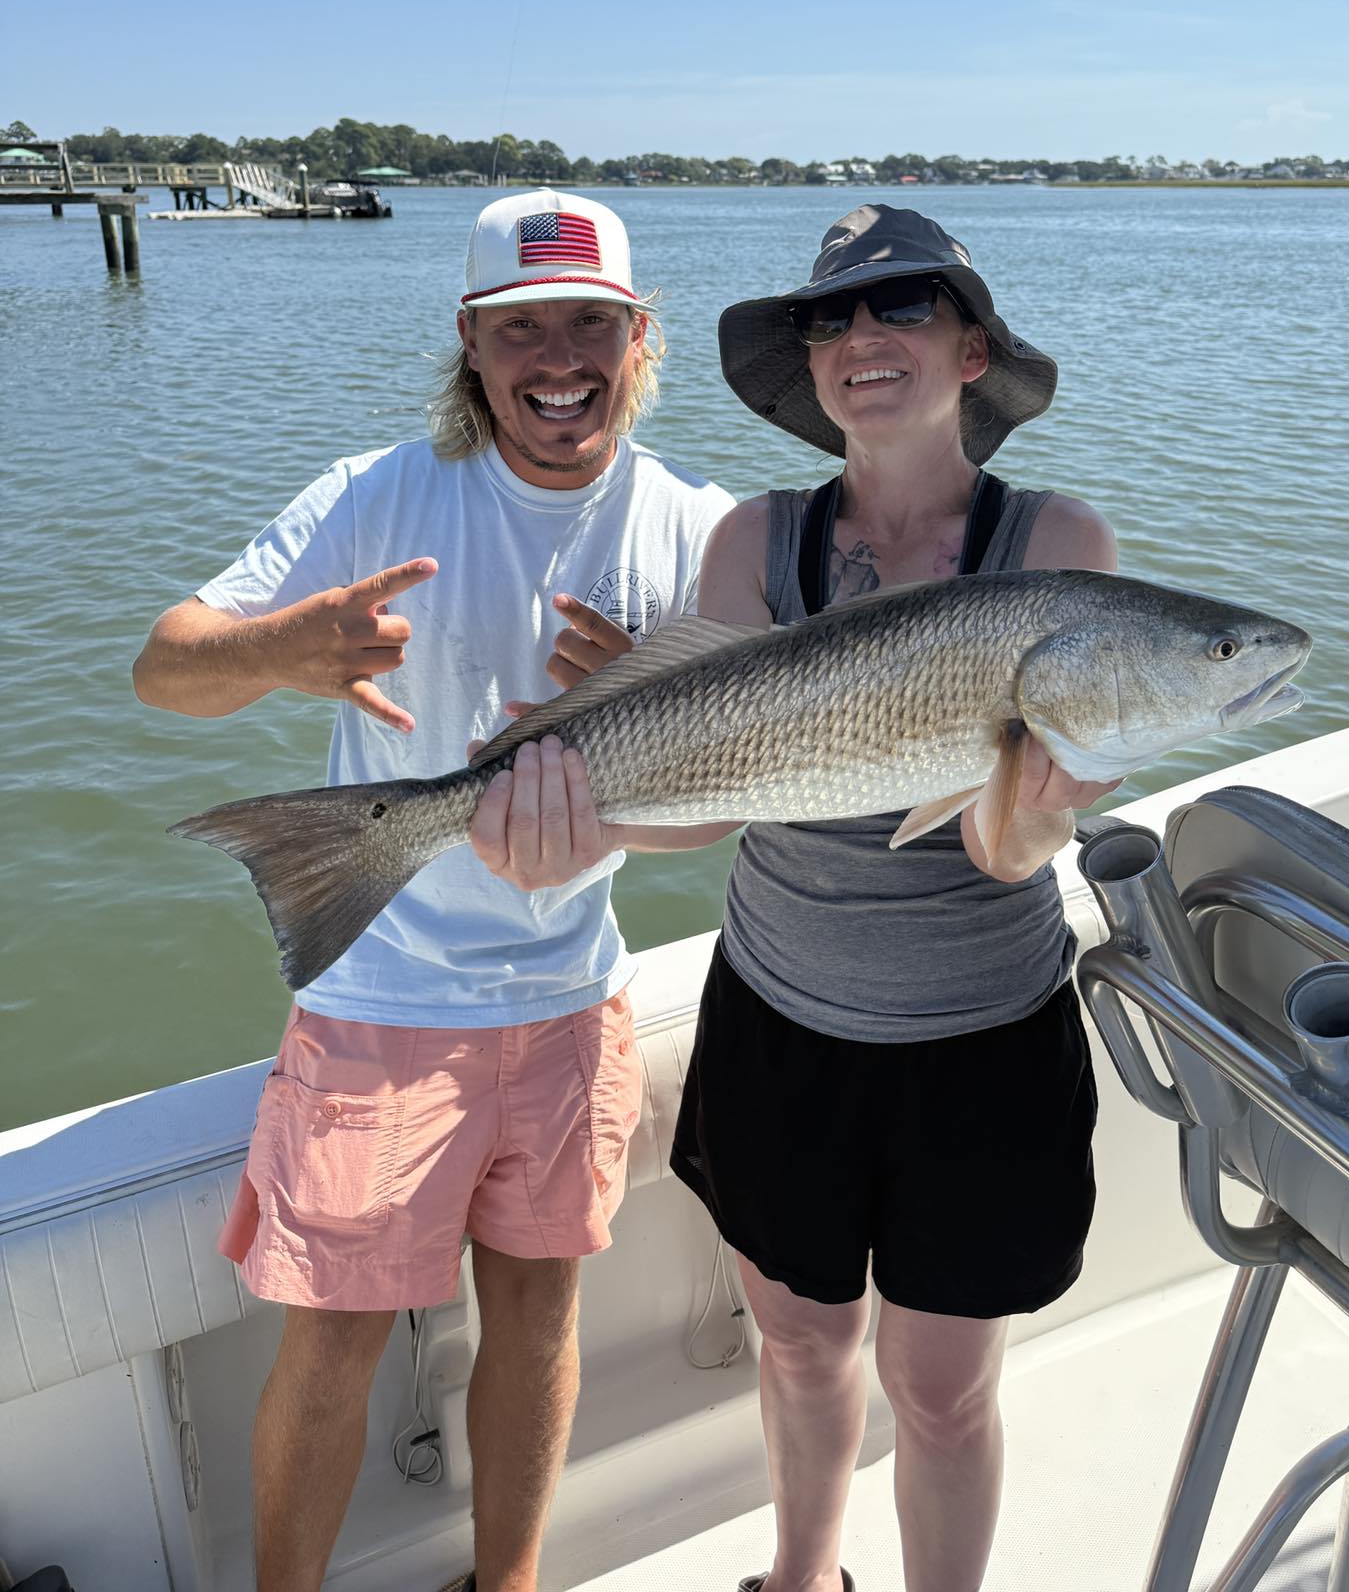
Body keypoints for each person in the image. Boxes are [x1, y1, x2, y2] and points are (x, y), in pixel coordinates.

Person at [470, 203, 1121, 1592]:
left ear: (973, 351)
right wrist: (574, 829)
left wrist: (1041, 802)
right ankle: (802, 1577)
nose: (862, 335)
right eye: (832, 317)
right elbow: (715, 790)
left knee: (941, 1388)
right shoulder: (754, 541)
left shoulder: (1058, 546)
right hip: (782, 1026)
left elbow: (1009, 855)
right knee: (803, 1344)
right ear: (812, 365)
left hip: (983, 1041)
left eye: (904, 306)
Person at [131, 188, 734, 1592]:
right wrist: (283, 650)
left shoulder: (702, 534)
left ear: (641, 339)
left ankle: (506, 1581)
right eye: (520, 327)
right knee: (333, 1338)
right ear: (470, 342)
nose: (558, 359)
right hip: (381, 1004)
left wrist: (648, 748)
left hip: (571, 996)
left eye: (589, 323)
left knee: (539, 1316)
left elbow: (720, 811)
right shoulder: (376, 495)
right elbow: (165, 668)